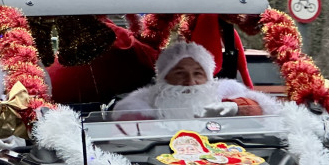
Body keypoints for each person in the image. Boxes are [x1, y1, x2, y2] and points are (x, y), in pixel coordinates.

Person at [112, 41, 278, 119]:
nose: (190, 82)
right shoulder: (142, 103)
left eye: (198, 73)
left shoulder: (225, 92)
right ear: (164, 77)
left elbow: (263, 110)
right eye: (180, 73)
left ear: (209, 77)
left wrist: (236, 108)